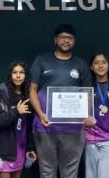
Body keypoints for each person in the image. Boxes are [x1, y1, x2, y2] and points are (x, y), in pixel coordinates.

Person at [29, 23, 91, 178]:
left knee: (70, 173)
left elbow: (88, 95)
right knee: (47, 172)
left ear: (74, 41)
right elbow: (32, 91)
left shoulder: (81, 64)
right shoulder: (41, 60)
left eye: (70, 38)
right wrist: (41, 114)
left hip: (73, 129)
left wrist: (86, 115)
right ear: (55, 40)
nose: (66, 41)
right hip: (45, 127)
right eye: (63, 37)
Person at [0, 60, 36, 178]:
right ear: (10, 75)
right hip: (3, 149)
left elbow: (28, 125)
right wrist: (16, 111)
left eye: (22, 72)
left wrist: (30, 147)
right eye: (15, 72)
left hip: (20, 147)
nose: (18, 76)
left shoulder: (27, 94)